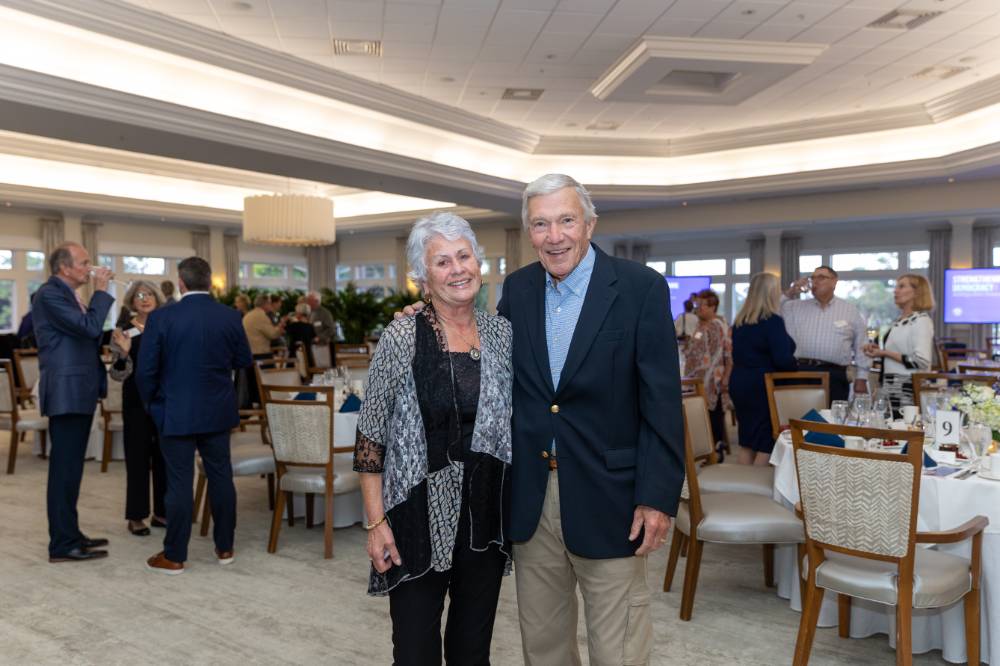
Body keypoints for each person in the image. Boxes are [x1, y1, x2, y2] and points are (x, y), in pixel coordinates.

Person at [501, 174, 682, 665]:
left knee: (618, 648)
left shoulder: (640, 287)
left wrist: (657, 497)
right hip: (532, 498)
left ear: (589, 223)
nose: (553, 235)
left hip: (613, 498)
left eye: (565, 220)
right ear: (528, 231)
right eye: (540, 224)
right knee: (543, 646)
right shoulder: (516, 290)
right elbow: (495, 376)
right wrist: (423, 317)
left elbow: (662, 403)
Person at [354, 212, 512, 664]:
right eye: (441, 262)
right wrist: (375, 522)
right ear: (423, 277)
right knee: (416, 648)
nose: (457, 269)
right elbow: (370, 435)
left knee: (472, 647)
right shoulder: (403, 335)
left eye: (463, 256)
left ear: (479, 264)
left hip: (486, 512)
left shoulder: (502, 334)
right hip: (415, 515)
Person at [136, 257, 252, 574]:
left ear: (182, 282)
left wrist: (153, 405)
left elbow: (145, 371)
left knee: (178, 483)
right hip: (217, 410)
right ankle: (225, 548)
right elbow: (243, 359)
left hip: (174, 411)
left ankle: (174, 555)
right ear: (207, 280)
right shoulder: (230, 316)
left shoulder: (162, 318)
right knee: (221, 478)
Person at [32, 242, 115, 562]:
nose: (90, 268)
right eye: (84, 263)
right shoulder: (50, 294)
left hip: (78, 389)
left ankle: (71, 533)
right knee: (64, 470)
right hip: (66, 392)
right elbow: (90, 327)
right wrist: (103, 291)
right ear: (64, 268)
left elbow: (87, 335)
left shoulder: (69, 295)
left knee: (72, 469)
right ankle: (62, 544)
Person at [108, 280, 167, 537]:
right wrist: (124, 354)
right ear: (132, 302)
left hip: (165, 399)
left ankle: (162, 512)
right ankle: (136, 515)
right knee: (138, 457)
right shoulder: (123, 331)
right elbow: (117, 374)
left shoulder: (168, 327)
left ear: (157, 298)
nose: (144, 299)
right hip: (135, 400)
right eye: (139, 296)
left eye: (149, 294)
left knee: (165, 456)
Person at [730, 273, 798, 466]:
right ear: (771, 293)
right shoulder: (772, 321)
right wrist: (796, 365)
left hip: (740, 381)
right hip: (762, 384)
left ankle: (743, 488)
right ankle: (755, 487)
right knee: (766, 441)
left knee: (747, 440)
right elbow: (782, 359)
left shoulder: (739, 323)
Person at [782, 265, 869, 403]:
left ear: (834, 282)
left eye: (821, 277)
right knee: (800, 420)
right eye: (812, 278)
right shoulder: (793, 307)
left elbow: (861, 345)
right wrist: (791, 291)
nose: (815, 281)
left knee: (832, 421)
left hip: (835, 375)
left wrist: (862, 377)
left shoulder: (849, 310)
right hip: (800, 372)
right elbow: (769, 310)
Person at [864, 274, 935, 411]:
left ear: (917, 292)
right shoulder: (900, 320)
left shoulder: (921, 320)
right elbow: (896, 355)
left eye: (901, 286)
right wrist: (878, 351)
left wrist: (884, 353)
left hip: (906, 389)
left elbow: (921, 361)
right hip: (890, 386)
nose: (895, 291)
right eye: (896, 286)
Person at [683, 289, 732, 452]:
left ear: (713, 307)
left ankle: (715, 448)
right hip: (696, 379)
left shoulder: (716, 326)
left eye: (703, 304)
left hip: (713, 380)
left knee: (713, 415)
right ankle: (701, 447)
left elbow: (721, 354)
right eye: (698, 303)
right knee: (698, 414)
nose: (699, 307)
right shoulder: (699, 325)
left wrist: (725, 377)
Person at [242, 294, 285, 406]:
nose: (271, 305)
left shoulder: (248, 315)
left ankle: (257, 406)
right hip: (261, 356)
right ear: (265, 304)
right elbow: (273, 334)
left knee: (253, 385)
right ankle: (269, 405)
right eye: (269, 303)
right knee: (267, 385)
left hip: (249, 354)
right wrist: (280, 327)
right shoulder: (261, 316)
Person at [285, 302, 317, 367]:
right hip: (308, 357)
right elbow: (315, 339)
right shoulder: (310, 326)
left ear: (299, 314)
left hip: (294, 357)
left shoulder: (294, 326)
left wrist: (287, 320)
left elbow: (284, 331)